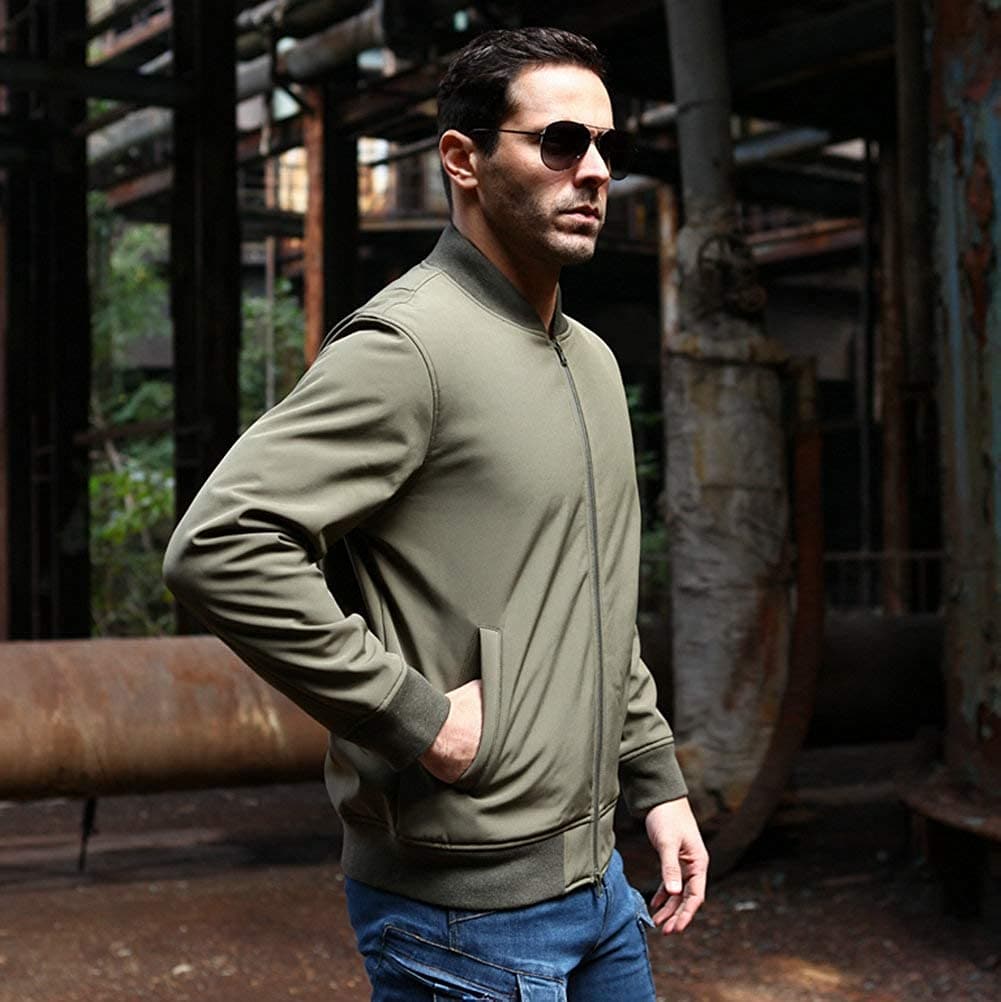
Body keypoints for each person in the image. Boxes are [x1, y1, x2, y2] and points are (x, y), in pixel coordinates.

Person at [163, 26, 707, 1000]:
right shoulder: (405, 347)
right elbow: (221, 547)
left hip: (598, 886)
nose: (593, 172)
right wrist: (417, 719)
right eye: (559, 142)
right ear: (462, 158)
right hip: (460, 914)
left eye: (606, 147)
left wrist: (654, 778)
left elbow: (587, 597)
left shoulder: (589, 360)